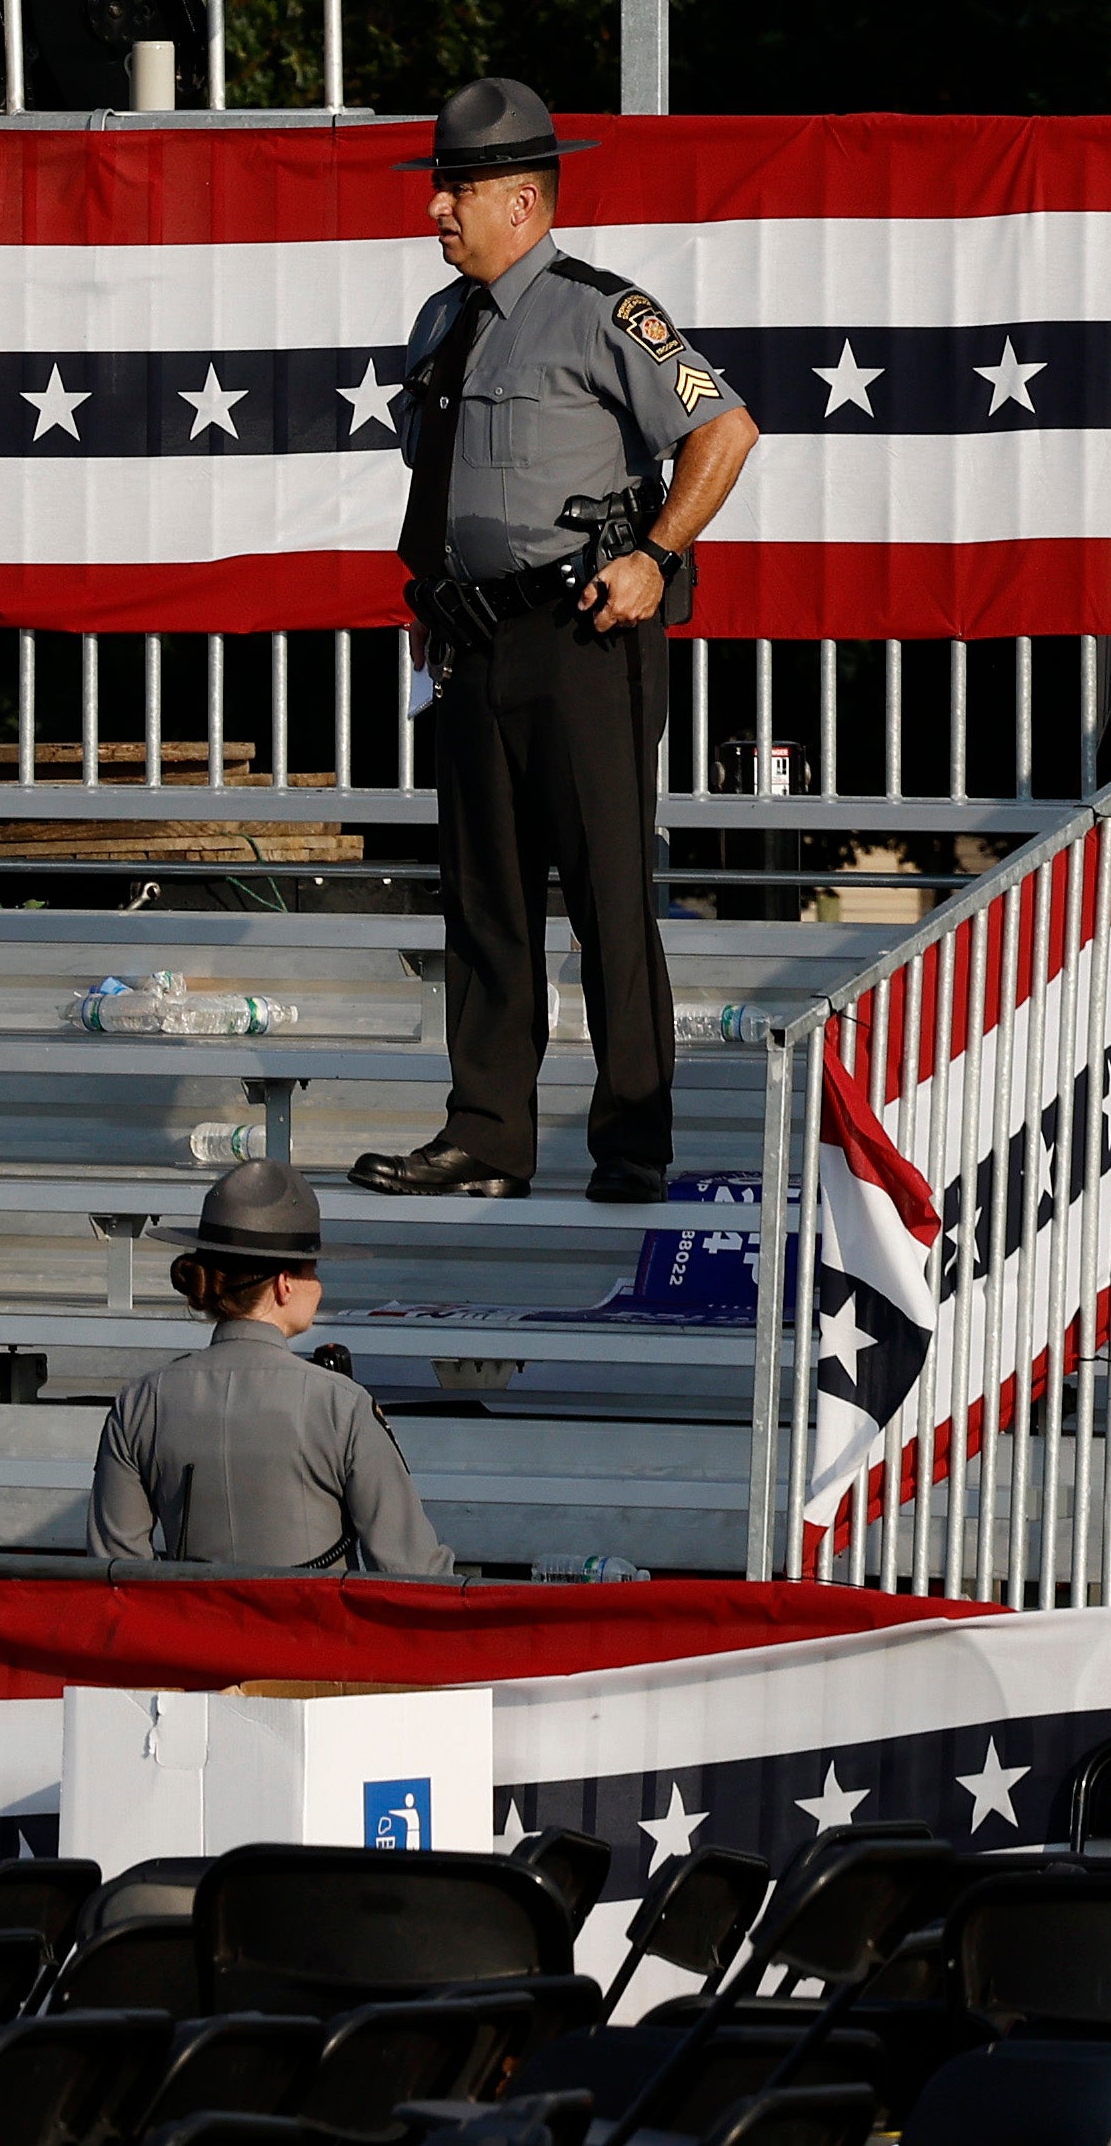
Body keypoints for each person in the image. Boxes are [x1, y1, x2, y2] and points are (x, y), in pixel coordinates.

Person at [354, 79, 760, 1205]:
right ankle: (485, 1134)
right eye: (438, 186)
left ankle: (630, 1142)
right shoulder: (441, 321)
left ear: (523, 203)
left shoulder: (602, 311)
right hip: (472, 642)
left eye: (458, 190)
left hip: (583, 637)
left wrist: (656, 555)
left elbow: (721, 428)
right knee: (482, 899)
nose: (437, 207)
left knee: (605, 895)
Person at [88, 1162, 453, 1574]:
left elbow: (115, 1572)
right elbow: (413, 1571)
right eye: (313, 1268)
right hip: (311, 1635)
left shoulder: (140, 1402)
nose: (319, 1284)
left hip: (189, 1636)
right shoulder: (340, 1405)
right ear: (285, 1283)